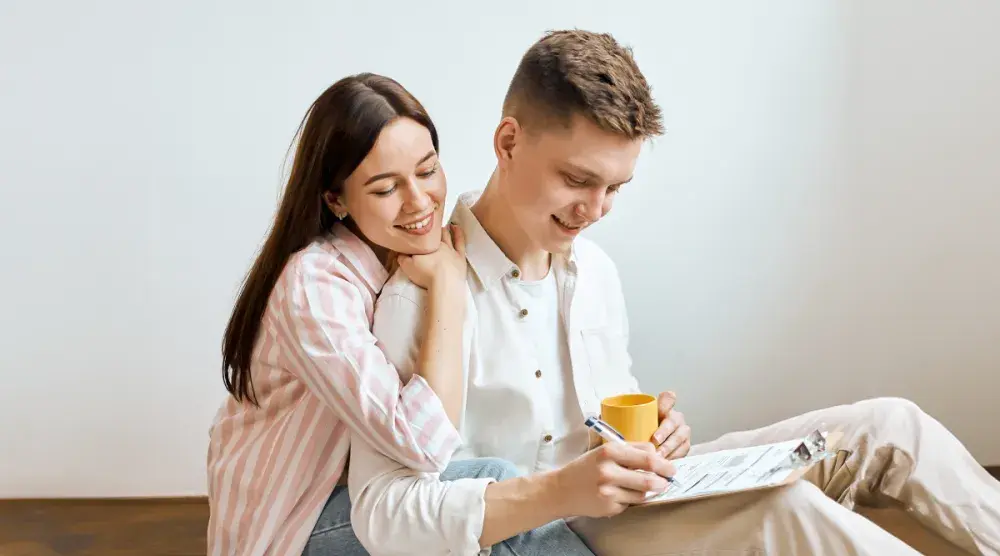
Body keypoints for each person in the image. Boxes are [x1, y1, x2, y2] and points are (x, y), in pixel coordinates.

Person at [347, 29, 1000, 556]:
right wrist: (560, 489)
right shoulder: (421, 290)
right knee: (784, 511)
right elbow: (384, 513)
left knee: (892, 425)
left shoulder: (593, 272)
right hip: (552, 528)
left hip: (631, 498)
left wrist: (655, 437)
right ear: (508, 141)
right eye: (578, 179)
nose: (596, 209)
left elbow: (604, 425)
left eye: (616, 188)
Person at [206, 73, 596, 556]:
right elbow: (423, 445)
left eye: (428, 171)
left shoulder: (407, 248)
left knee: (493, 493)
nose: (419, 202)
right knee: (488, 487)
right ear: (336, 200)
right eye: (387, 188)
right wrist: (449, 288)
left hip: (369, 491)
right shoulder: (316, 287)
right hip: (297, 523)